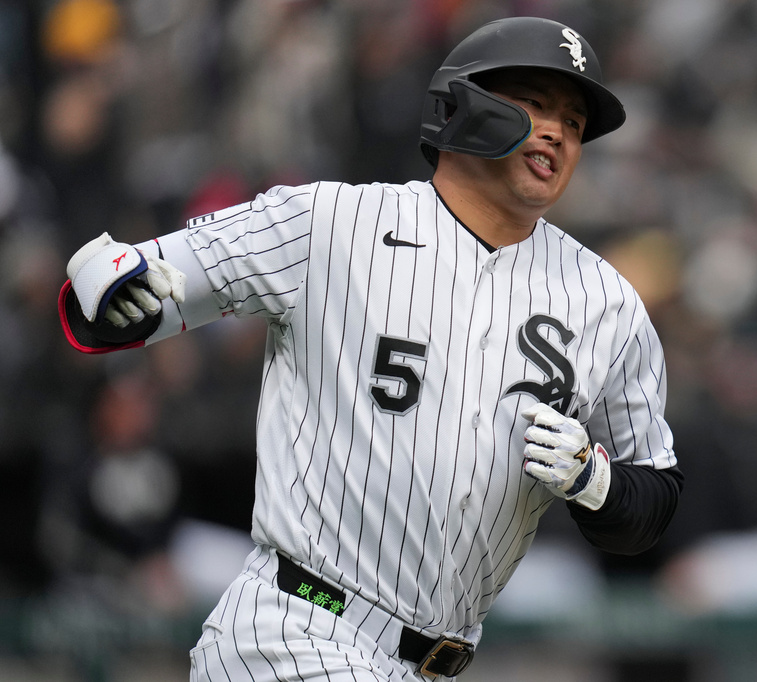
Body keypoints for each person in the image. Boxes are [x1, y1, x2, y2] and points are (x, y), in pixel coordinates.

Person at [58, 16, 684, 681]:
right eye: (536, 104)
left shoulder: (605, 302)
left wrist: (595, 479)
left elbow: (654, 497)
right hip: (294, 631)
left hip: (432, 664)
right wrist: (105, 285)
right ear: (465, 104)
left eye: (576, 123)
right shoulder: (329, 223)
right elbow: (118, 302)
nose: (559, 132)